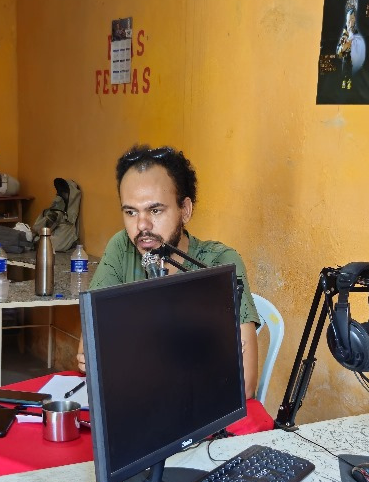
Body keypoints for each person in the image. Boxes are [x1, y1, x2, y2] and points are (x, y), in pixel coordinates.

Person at [75, 145, 261, 398]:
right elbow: (90, 350)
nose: (142, 226)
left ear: (185, 210)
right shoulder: (122, 247)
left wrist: (130, 354)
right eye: (130, 212)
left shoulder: (220, 262)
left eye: (155, 210)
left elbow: (245, 384)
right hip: (139, 402)